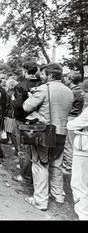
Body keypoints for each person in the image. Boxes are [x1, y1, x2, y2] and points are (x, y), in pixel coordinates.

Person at [23, 63, 73, 211]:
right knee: (56, 163)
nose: (41, 77)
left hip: (45, 132)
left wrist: (30, 96)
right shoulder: (68, 90)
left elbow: (26, 107)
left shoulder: (44, 89)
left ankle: (40, 200)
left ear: (50, 75)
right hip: (62, 132)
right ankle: (58, 195)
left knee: (39, 164)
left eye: (43, 74)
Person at [10, 61, 42, 184]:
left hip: (23, 119)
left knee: (23, 147)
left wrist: (13, 100)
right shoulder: (42, 84)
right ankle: (31, 171)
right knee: (36, 148)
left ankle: (25, 176)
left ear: (24, 70)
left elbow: (18, 106)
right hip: (39, 119)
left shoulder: (21, 85)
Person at [66, 79, 88, 220]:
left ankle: (82, 214)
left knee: (78, 182)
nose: (83, 94)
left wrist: (67, 122)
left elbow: (73, 125)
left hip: (84, 147)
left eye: (86, 91)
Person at [62, 71, 84, 174]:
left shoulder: (74, 92)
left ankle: (68, 165)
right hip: (74, 116)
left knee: (68, 142)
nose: (64, 79)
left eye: (66, 77)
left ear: (71, 79)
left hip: (71, 117)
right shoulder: (78, 91)